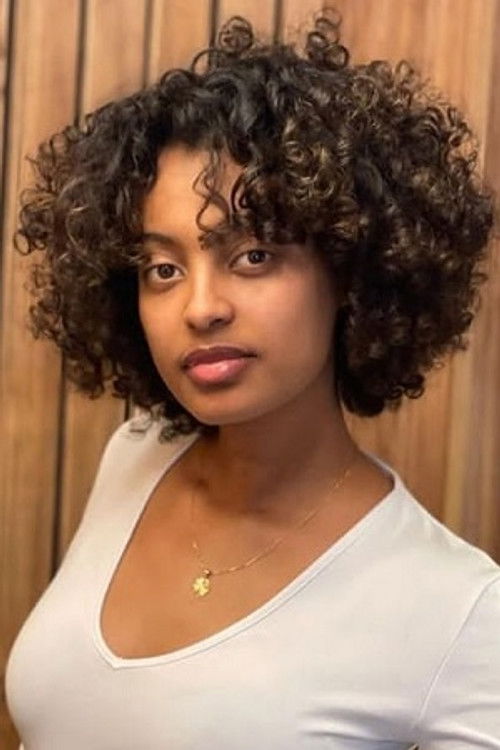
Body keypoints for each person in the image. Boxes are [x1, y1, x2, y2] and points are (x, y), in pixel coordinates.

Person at [4, 9, 500, 749]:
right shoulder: (136, 453)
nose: (200, 307)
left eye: (253, 256)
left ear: (350, 268)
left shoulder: (460, 615)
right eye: (162, 269)